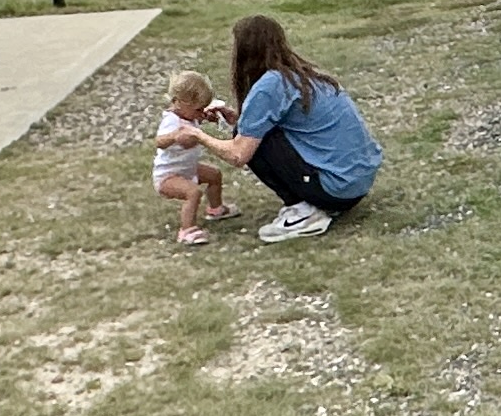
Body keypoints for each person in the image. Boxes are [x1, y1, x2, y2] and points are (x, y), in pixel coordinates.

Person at [198, 13, 382, 242]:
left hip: (335, 190)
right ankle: (314, 203)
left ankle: (303, 211)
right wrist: (237, 118)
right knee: (253, 132)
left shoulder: (269, 86)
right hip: (357, 183)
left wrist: (196, 135)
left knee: (250, 140)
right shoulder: (302, 75)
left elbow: (239, 154)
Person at [150, 69, 232, 246]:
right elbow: (159, 141)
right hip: (168, 175)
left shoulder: (189, 115)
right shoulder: (172, 121)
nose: (200, 112)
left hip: (187, 168)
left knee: (214, 175)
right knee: (193, 192)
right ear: (180, 103)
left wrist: (208, 116)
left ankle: (216, 209)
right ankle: (187, 230)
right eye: (198, 109)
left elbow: (195, 120)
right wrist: (174, 136)